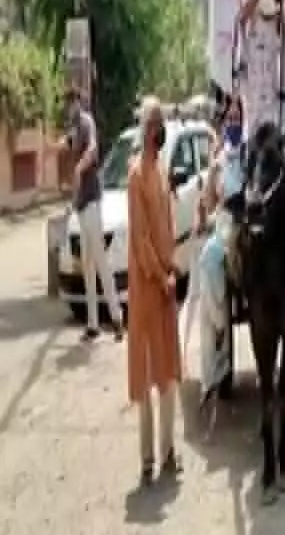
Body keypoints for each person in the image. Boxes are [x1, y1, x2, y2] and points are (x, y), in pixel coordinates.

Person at [126, 97, 184, 485]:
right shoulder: (135, 176)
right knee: (148, 371)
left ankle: (168, 451)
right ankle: (147, 457)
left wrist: (173, 265)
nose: (161, 130)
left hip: (166, 282)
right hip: (147, 290)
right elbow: (141, 237)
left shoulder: (162, 170)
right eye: (158, 123)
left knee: (168, 373)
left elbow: (165, 228)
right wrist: (159, 275)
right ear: (149, 130)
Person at [189, 95, 247, 402]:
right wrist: (202, 212)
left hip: (249, 222)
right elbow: (209, 200)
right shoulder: (219, 159)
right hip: (225, 225)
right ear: (224, 124)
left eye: (239, 118)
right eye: (231, 119)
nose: (235, 123)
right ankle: (221, 331)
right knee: (209, 261)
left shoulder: (251, 153)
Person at [59, 86, 121, 342]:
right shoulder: (73, 127)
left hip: (92, 204)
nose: (68, 106)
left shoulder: (86, 122)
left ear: (78, 101)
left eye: (71, 101)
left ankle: (117, 319)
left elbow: (93, 148)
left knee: (100, 262)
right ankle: (93, 324)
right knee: (87, 265)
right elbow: (64, 145)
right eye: (66, 102)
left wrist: (80, 167)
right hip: (80, 206)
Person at [238, 0, 285, 135]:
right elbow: (243, 15)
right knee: (253, 126)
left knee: (272, 126)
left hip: (271, 66)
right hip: (254, 60)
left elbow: (282, 17)